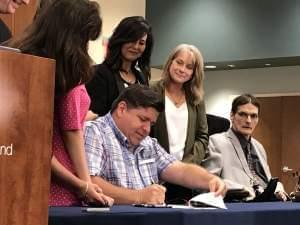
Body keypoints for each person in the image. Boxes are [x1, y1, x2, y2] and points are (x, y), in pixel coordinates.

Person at [7, 0, 113, 206]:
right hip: (51, 188)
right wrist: (83, 184)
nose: (85, 47)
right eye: (84, 39)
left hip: (47, 179)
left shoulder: (29, 62)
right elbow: (63, 136)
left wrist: (85, 184)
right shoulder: (45, 72)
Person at [84, 84, 226, 204]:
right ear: (122, 109)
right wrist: (139, 196)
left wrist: (209, 179)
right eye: (142, 119)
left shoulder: (147, 143)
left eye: (151, 123)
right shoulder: (95, 132)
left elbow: (180, 171)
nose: (147, 129)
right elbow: (89, 182)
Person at [150, 44, 209, 203]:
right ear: (170, 62)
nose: (182, 69)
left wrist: (184, 167)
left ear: (194, 72)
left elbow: (202, 136)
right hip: (155, 175)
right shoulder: (151, 90)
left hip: (184, 178)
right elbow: (144, 132)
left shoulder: (197, 99)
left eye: (189, 67)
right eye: (179, 62)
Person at [202, 94, 287, 201]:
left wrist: (278, 188)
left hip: (266, 204)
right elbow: (207, 184)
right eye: (243, 114)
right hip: (238, 206)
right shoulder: (216, 142)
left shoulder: (259, 147)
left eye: (253, 116)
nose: (248, 120)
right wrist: (244, 190)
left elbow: (267, 180)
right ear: (232, 116)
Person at [86, 16, 153, 117]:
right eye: (132, 40)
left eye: (141, 43)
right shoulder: (98, 74)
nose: (136, 46)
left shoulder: (142, 77)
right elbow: (95, 117)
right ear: (120, 39)